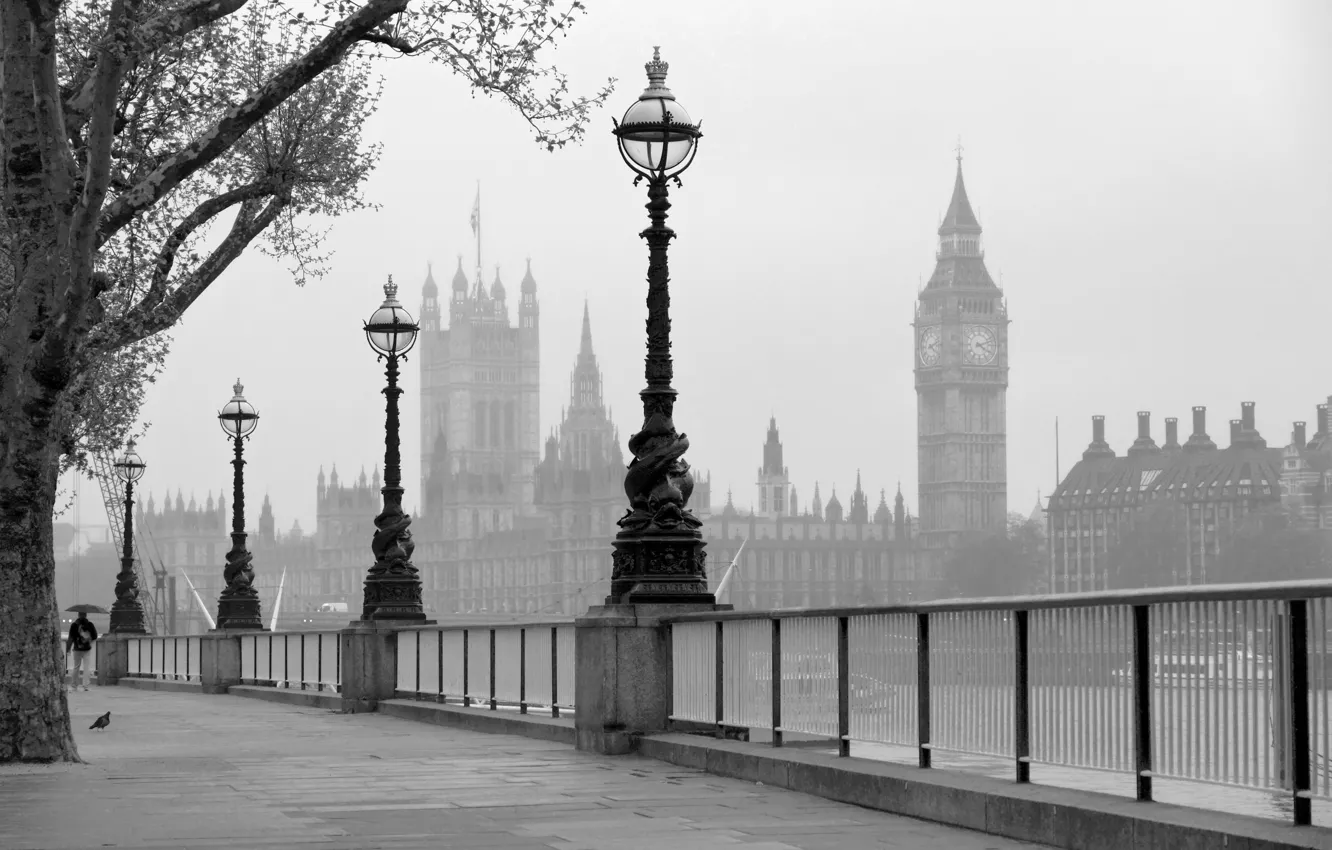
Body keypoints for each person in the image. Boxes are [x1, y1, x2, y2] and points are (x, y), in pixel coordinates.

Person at [65, 613, 98, 692]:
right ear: (86, 615)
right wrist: (89, 640)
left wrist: (68, 648)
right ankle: (86, 686)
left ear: (78, 615)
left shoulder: (74, 625)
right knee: (87, 667)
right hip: (87, 649)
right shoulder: (90, 624)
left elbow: (71, 638)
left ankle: (74, 685)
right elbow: (95, 636)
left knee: (76, 667)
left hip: (77, 649)